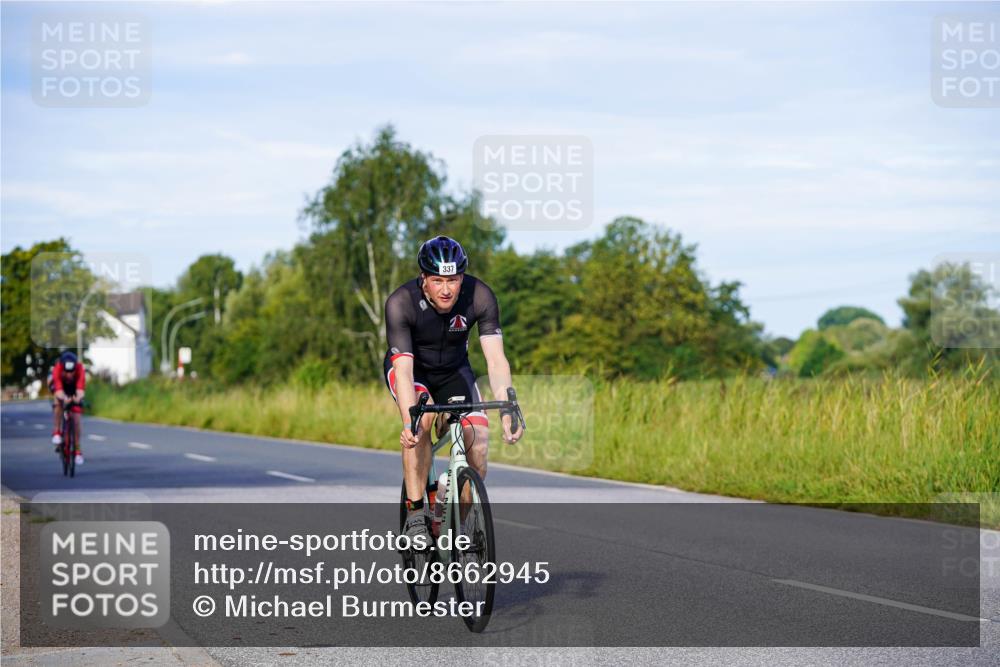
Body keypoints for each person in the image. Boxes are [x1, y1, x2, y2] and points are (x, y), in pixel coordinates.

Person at [384, 236, 522, 544]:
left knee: (479, 443)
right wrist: (410, 421)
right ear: (424, 280)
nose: (447, 289)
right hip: (413, 371)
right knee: (423, 422)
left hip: (454, 370)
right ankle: (417, 515)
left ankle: (449, 522)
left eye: (454, 280)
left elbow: (497, 360)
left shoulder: (480, 296)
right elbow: (403, 371)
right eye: (438, 281)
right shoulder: (401, 302)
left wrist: (506, 408)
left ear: (462, 277)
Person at [51, 351, 85, 465]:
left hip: (73, 388)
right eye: (66, 372)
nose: (69, 375)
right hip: (60, 387)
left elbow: (80, 390)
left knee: (76, 418)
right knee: (58, 403)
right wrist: (64, 398)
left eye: (72, 372)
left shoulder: (80, 369)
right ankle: (57, 431)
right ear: (62, 368)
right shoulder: (57, 368)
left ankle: (77, 450)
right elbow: (58, 390)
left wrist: (77, 399)